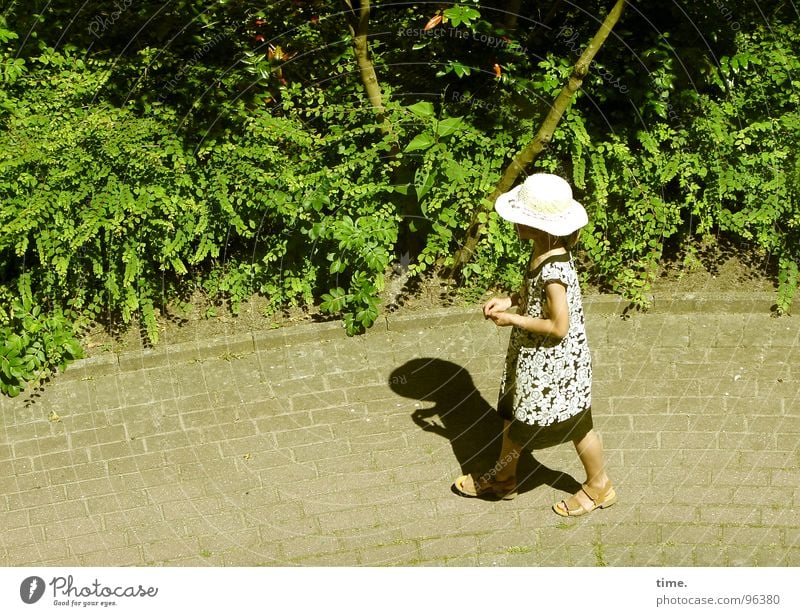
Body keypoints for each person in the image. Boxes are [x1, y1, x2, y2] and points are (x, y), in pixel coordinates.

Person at [453, 173, 616, 516]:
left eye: (521, 217)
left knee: (577, 424)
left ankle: (599, 486)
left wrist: (512, 319)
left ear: (541, 226)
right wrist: (509, 300)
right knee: (516, 414)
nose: (514, 222)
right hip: (536, 359)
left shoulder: (555, 271)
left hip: (554, 364)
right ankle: (505, 478)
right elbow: (534, 297)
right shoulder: (544, 252)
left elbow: (558, 326)